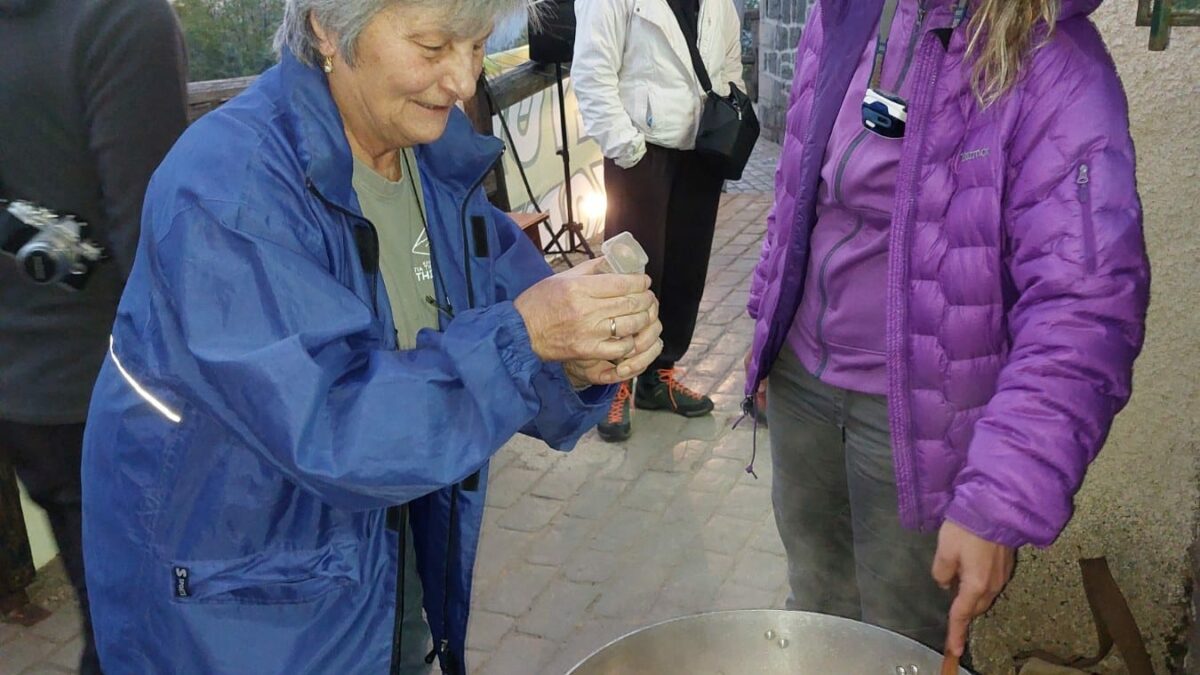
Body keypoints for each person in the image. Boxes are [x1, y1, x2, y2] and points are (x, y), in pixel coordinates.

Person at [80, 0, 663, 673]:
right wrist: (525, 337)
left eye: (477, 46)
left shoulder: (433, 158)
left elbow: (509, 317)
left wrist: (579, 356)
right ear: (330, 28)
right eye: (433, 46)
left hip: (381, 560)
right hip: (239, 609)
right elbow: (335, 431)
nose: (463, 82)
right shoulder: (227, 191)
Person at [744, 0, 1149, 661]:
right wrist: (767, 328)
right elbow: (797, 183)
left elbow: (1083, 309)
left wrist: (999, 498)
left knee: (898, 643)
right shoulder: (843, 11)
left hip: (918, 426)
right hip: (801, 386)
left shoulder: (1055, 62)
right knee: (815, 609)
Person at [0, 0, 188, 671]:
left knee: (114, 625)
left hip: (27, 398)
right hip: (123, 399)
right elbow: (155, 252)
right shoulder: (123, 18)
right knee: (150, 640)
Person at [573, 0, 744, 442]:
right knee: (629, 276)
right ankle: (612, 383)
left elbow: (729, 60)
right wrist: (626, 146)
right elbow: (592, 71)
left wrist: (727, 120)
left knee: (686, 270)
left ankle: (657, 376)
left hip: (702, 148)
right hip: (640, 151)